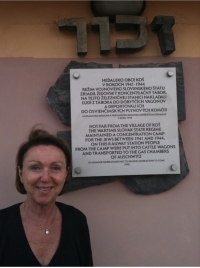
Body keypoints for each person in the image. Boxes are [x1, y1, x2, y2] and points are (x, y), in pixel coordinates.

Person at [0, 127, 93, 266]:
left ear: (66, 174)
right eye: (35, 167)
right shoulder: (2, 223)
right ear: (20, 173)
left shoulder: (77, 220)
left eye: (55, 168)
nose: (45, 178)